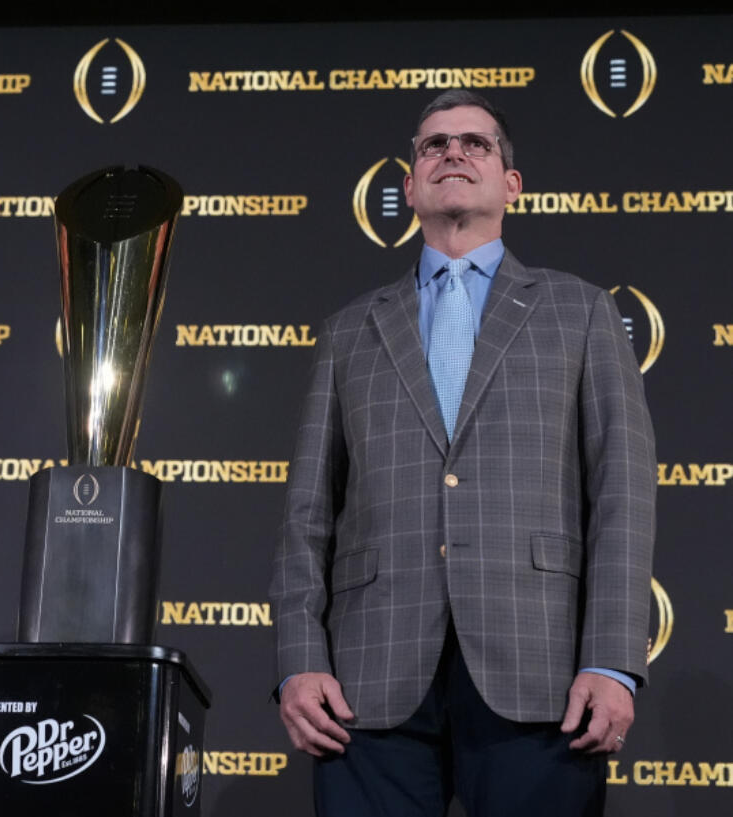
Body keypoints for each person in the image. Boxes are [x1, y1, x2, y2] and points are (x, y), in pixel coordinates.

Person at [270, 90, 655, 816]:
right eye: (433, 144)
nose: (453, 152)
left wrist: (611, 661)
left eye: (476, 143)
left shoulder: (581, 311)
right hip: (367, 678)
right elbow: (307, 513)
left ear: (512, 185)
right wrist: (299, 659)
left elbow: (623, 494)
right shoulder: (350, 330)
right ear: (410, 186)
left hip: (540, 670)